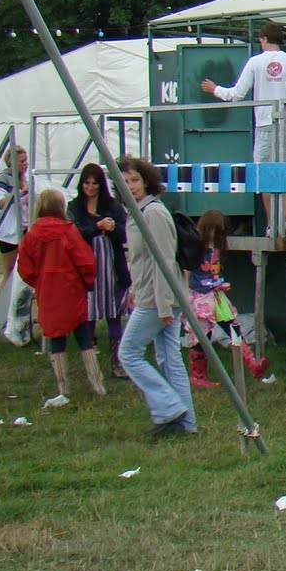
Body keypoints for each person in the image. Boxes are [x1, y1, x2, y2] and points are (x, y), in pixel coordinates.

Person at [115, 157, 196, 436]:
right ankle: (186, 424)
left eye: (135, 180)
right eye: (124, 182)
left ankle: (169, 408)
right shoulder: (137, 212)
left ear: (147, 181)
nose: (130, 186)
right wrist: (135, 290)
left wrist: (162, 305)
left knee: (128, 353)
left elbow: (162, 261)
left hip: (160, 298)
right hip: (155, 295)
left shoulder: (152, 213)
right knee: (169, 358)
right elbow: (140, 260)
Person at [200, 21, 286, 235]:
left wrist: (215, 89)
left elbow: (237, 94)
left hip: (265, 123)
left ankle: (271, 224)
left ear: (264, 39)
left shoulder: (255, 62)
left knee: (265, 172)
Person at [16, 189, 101, 396]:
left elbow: (24, 267)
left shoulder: (32, 235)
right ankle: (97, 384)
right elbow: (86, 261)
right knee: (84, 338)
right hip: (71, 290)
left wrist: (39, 282)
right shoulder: (68, 231)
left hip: (48, 292)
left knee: (56, 339)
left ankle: (63, 387)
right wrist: (85, 282)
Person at [184, 209, 270, 387]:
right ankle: (197, 375)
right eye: (213, 230)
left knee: (233, 327)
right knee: (202, 337)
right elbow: (187, 270)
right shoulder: (196, 247)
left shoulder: (217, 247)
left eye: (219, 231)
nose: (215, 234)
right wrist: (185, 294)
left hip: (217, 295)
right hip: (200, 297)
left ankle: (252, 364)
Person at [68, 163, 132, 379]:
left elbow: (125, 233)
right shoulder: (75, 207)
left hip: (112, 269)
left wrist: (112, 228)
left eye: (94, 183)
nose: (90, 187)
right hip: (86, 270)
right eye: (86, 183)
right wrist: (97, 227)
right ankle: (91, 366)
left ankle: (117, 362)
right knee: (88, 316)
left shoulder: (112, 206)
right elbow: (73, 234)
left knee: (115, 315)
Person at [0, 144, 29, 291]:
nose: (25, 164)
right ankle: (3, 302)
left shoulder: (25, 178)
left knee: (27, 267)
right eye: (21, 161)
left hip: (24, 226)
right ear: (12, 163)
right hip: (8, 230)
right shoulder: (3, 178)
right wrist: (20, 193)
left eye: (26, 161)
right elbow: (0, 203)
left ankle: (21, 299)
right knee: (9, 269)